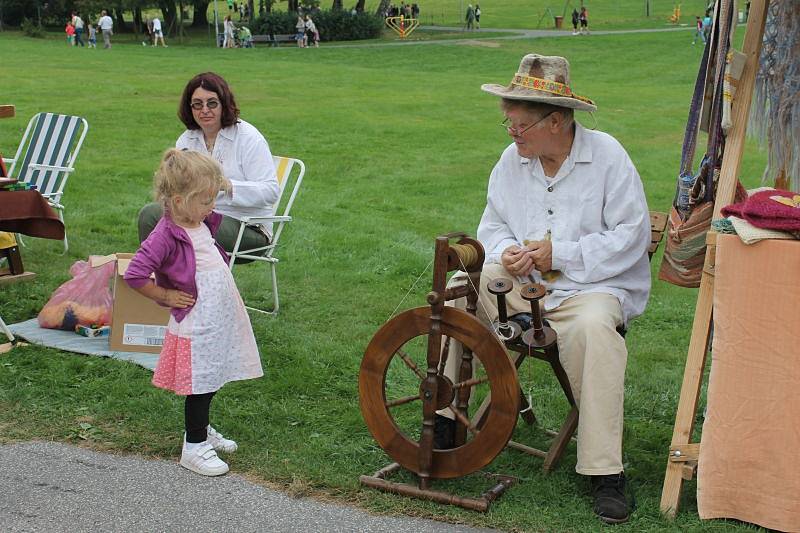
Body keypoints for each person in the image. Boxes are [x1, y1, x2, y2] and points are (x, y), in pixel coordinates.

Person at [434, 54, 651, 525]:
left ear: (556, 120)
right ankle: (445, 423)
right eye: (508, 124)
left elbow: (631, 236)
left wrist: (562, 255)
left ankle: (604, 471)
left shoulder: (607, 157)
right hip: (525, 285)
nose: (511, 135)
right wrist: (508, 250)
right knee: (460, 288)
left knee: (595, 330)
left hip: (591, 288)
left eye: (520, 126)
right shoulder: (513, 161)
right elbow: (492, 223)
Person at [125, 149, 263, 477]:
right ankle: (194, 447)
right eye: (205, 200)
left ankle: (200, 429)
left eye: (213, 199)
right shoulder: (165, 233)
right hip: (197, 321)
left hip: (217, 317)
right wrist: (166, 295)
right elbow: (135, 274)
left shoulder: (200, 220)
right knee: (200, 381)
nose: (212, 207)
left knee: (213, 374)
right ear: (177, 199)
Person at [137, 72, 279, 258]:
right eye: (197, 104)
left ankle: (185, 281)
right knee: (150, 214)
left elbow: (271, 191)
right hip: (197, 215)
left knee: (185, 224)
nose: (204, 110)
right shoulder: (187, 139)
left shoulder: (248, 137)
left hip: (248, 227)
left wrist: (227, 185)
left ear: (224, 104)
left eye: (212, 103)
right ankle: (155, 279)